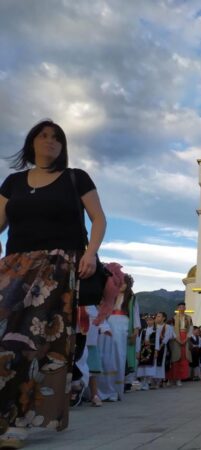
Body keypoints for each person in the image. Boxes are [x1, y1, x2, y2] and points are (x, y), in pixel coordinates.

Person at [0, 120, 106, 447]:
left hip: (56, 270)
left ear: (63, 146)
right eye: (43, 136)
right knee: (4, 339)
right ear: (31, 142)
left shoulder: (76, 178)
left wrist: (91, 253)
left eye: (57, 138)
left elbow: (98, 218)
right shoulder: (13, 183)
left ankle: (19, 420)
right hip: (14, 268)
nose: (50, 141)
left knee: (31, 342)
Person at [96, 267, 139, 401]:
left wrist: (135, 331)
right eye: (119, 282)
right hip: (109, 324)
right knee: (106, 355)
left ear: (128, 285)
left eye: (124, 283)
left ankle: (116, 390)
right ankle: (103, 389)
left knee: (119, 356)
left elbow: (135, 315)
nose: (122, 285)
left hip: (123, 325)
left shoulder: (131, 298)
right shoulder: (110, 296)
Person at [168, 302, 193, 386]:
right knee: (175, 359)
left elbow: (191, 329)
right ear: (177, 308)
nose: (182, 308)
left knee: (184, 358)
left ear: (185, 308)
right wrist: (177, 339)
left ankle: (180, 378)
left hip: (185, 337)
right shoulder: (173, 318)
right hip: (176, 339)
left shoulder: (189, 318)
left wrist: (186, 339)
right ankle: (172, 378)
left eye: (183, 307)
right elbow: (171, 329)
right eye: (180, 307)